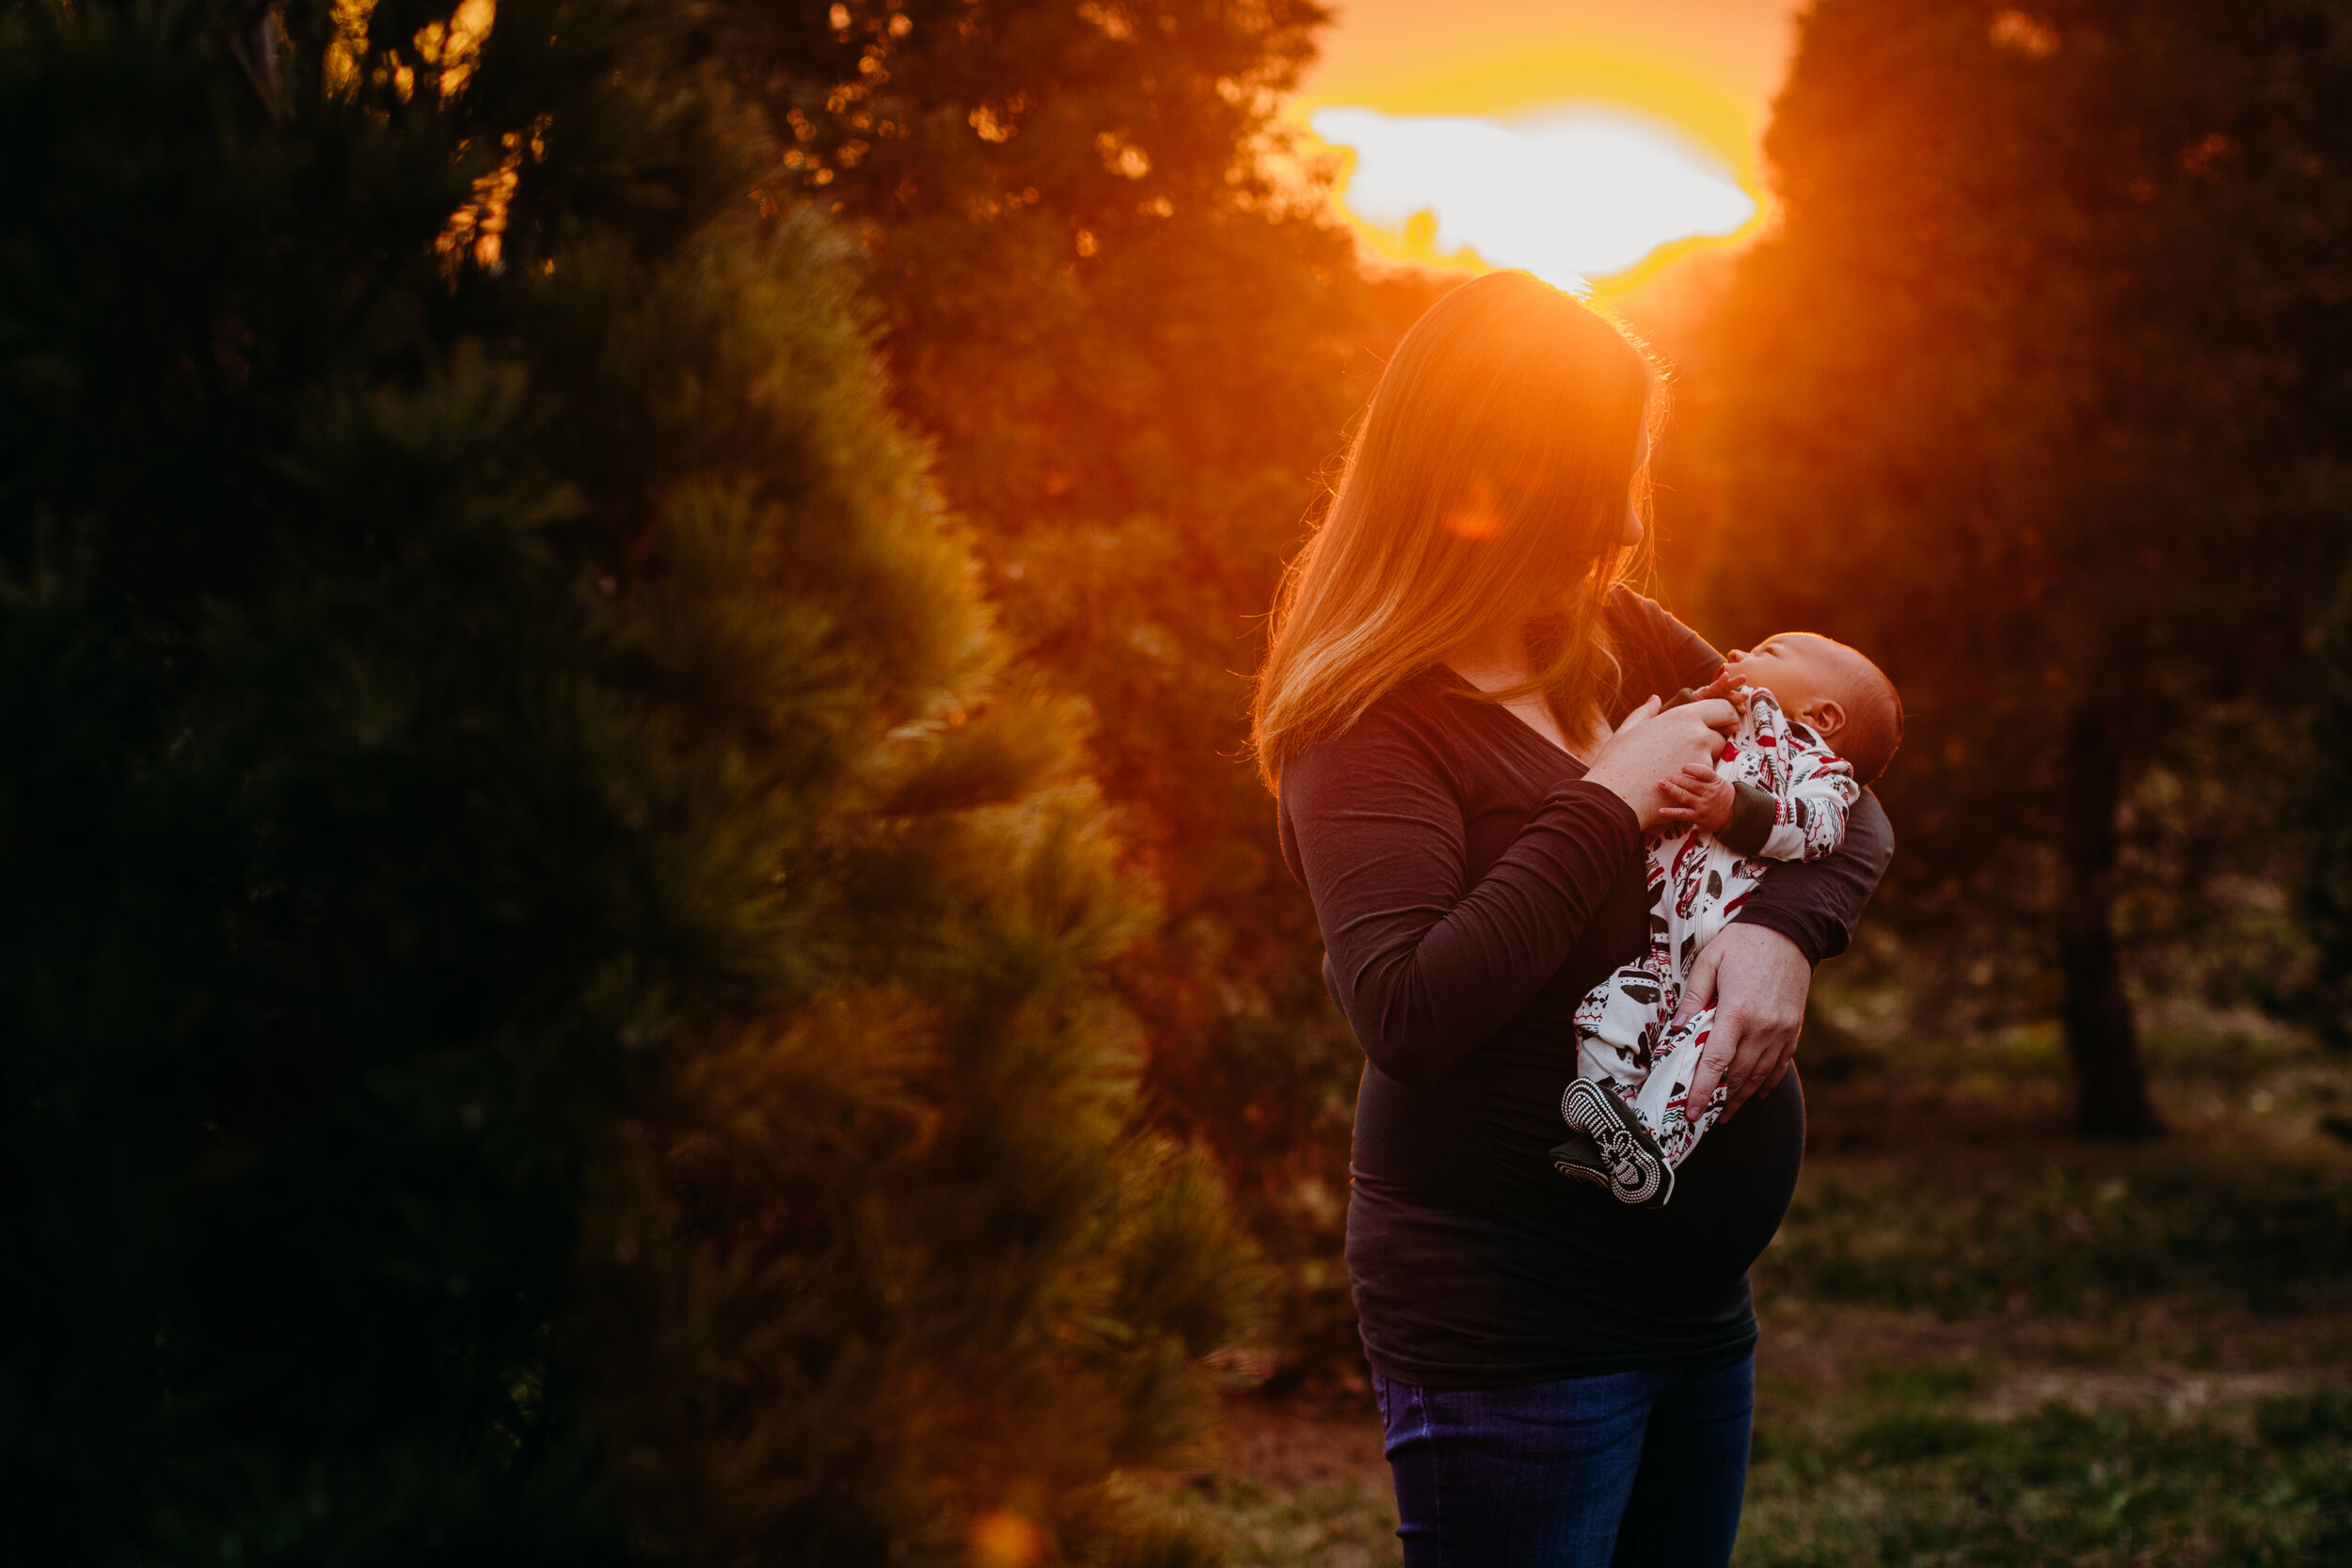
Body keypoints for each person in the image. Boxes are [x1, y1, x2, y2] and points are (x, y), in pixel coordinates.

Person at [1251, 272, 1893, 1567]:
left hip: (1696, 1305)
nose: (1622, 515)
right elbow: (1409, 1010)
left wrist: (1782, 934)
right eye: (1605, 468)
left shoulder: (1619, 638)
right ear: (1503, 466)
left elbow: (1849, 796)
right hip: (1515, 1324)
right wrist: (1605, 798)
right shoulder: (1367, 724)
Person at [1556, 636, 1903, 1208]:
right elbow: (1653, 756)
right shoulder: (1722, 725)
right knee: (1609, 1010)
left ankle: (1650, 1147)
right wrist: (1689, 704)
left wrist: (1734, 809)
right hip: (1663, 953)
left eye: (1769, 651)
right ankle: (1608, 1114)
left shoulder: (1819, 769)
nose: (1739, 652)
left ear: (1824, 715)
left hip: (1714, 979)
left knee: (1700, 1057)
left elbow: (1820, 829)